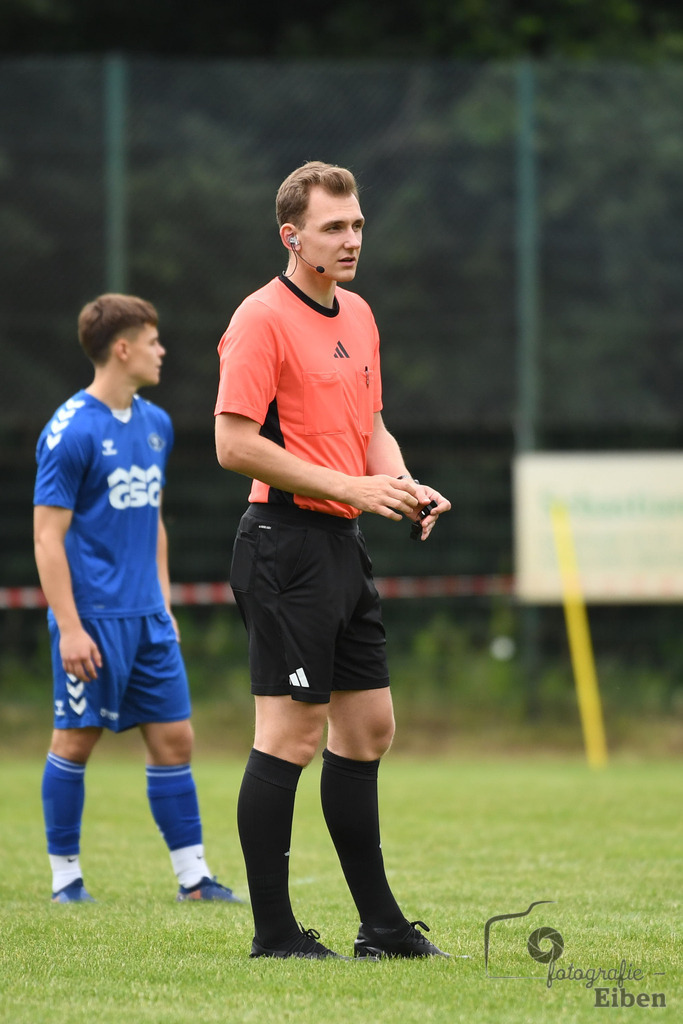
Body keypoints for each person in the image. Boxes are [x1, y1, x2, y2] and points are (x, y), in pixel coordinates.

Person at [214, 161, 451, 959]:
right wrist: (352, 484)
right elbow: (233, 444)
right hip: (281, 548)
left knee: (370, 727)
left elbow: (370, 422)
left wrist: (404, 485)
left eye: (355, 225)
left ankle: (380, 929)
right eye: (333, 228)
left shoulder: (358, 312)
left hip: (340, 547)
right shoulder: (260, 319)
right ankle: (274, 934)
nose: (351, 240)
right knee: (288, 736)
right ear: (292, 236)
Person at [34, 293, 241, 905]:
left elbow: (152, 520)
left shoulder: (156, 425)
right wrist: (68, 627)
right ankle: (65, 881)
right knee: (76, 739)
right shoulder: (69, 430)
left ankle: (194, 879)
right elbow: (48, 537)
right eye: (152, 341)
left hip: (147, 618)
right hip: (91, 620)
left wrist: (165, 602)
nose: (162, 351)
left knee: (175, 739)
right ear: (122, 349)